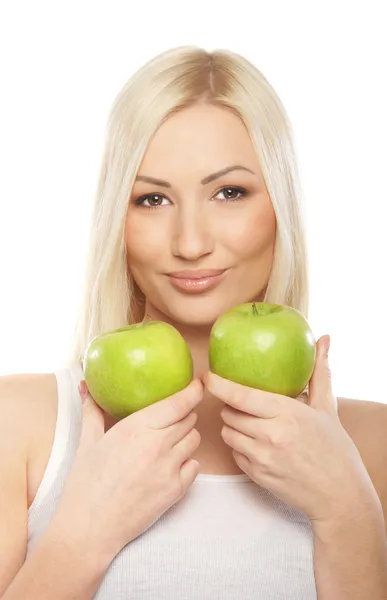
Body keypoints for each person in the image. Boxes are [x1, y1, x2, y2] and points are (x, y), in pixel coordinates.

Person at [0, 45, 386, 600]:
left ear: (279, 205)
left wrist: (347, 515)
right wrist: (82, 537)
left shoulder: (374, 447)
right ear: (118, 219)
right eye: (152, 199)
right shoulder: (20, 428)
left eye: (230, 193)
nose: (191, 243)